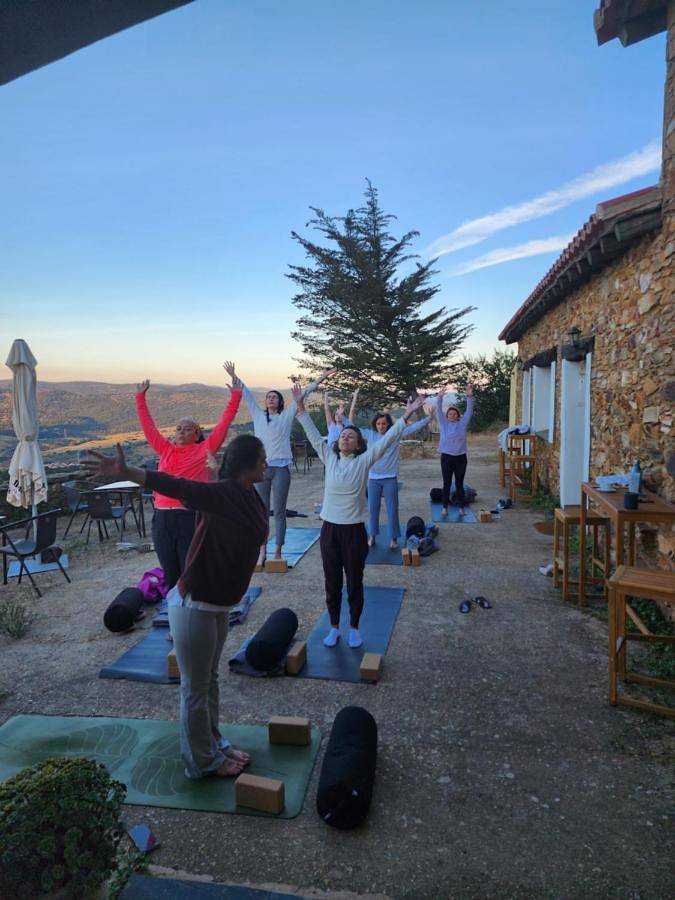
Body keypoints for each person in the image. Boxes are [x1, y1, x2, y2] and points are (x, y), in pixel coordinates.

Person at [84, 434, 269, 779]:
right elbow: (174, 483)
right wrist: (127, 471)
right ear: (246, 462)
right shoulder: (222, 493)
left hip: (220, 603)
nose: (266, 463)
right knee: (195, 687)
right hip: (195, 602)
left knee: (209, 680)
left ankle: (214, 742)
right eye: (262, 458)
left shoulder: (246, 493)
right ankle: (202, 762)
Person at [293, 384, 425, 648]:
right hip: (329, 530)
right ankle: (334, 627)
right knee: (332, 582)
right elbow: (312, 435)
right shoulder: (329, 459)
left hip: (354, 531)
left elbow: (387, 441)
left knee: (354, 581)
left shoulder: (365, 461)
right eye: (343, 435)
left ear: (358, 445)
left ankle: (353, 626)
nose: (345, 438)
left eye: (351, 436)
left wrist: (406, 415)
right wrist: (300, 408)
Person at [135, 363, 242, 590]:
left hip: (189, 516)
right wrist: (140, 398)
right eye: (178, 428)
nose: (181, 431)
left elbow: (224, 423)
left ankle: (191, 613)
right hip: (162, 518)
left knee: (190, 569)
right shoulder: (165, 449)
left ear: (197, 433)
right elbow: (149, 428)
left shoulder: (205, 449)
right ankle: (174, 615)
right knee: (170, 571)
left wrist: (236, 395)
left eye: (187, 429)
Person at [229, 364, 335, 567]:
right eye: (268, 396)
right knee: (261, 512)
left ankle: (277, 551)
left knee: (279, 512)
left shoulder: (286, 416)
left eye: (274, 397)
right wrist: (235, 376)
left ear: (279, 401)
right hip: (260, 471)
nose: (271, 399)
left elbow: (303, 393)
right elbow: (247, 394)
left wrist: (322, 377)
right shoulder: (258, 415)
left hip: (280, 471)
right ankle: (262, 552)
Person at [359, 409, 430, 550]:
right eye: (378, 423)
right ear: (375, 425)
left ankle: (394, 538)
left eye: (384, 423)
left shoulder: (395, 434)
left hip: (390, 478)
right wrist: (341, 418)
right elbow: (353, 428)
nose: (381, 426)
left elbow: (412, 427)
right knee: (373, 509)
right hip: (373, 478)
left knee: (392, 509)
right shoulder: (370, 435)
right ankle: (372, 536)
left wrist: (428, 418)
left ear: (388, 424)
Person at [435, 384, 474, 517]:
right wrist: (439, 398)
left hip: (460, 458)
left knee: (459, 483)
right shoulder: (443, 423)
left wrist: (469, 396)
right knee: (446, 483)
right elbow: (438, 411)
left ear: (458, 415)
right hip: (446, 457)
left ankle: (461, 507)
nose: (452, 415)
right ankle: (445, 507)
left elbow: (469, 411)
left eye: (454, 413)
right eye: (450, 414)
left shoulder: (462, 423)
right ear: (447, 416)